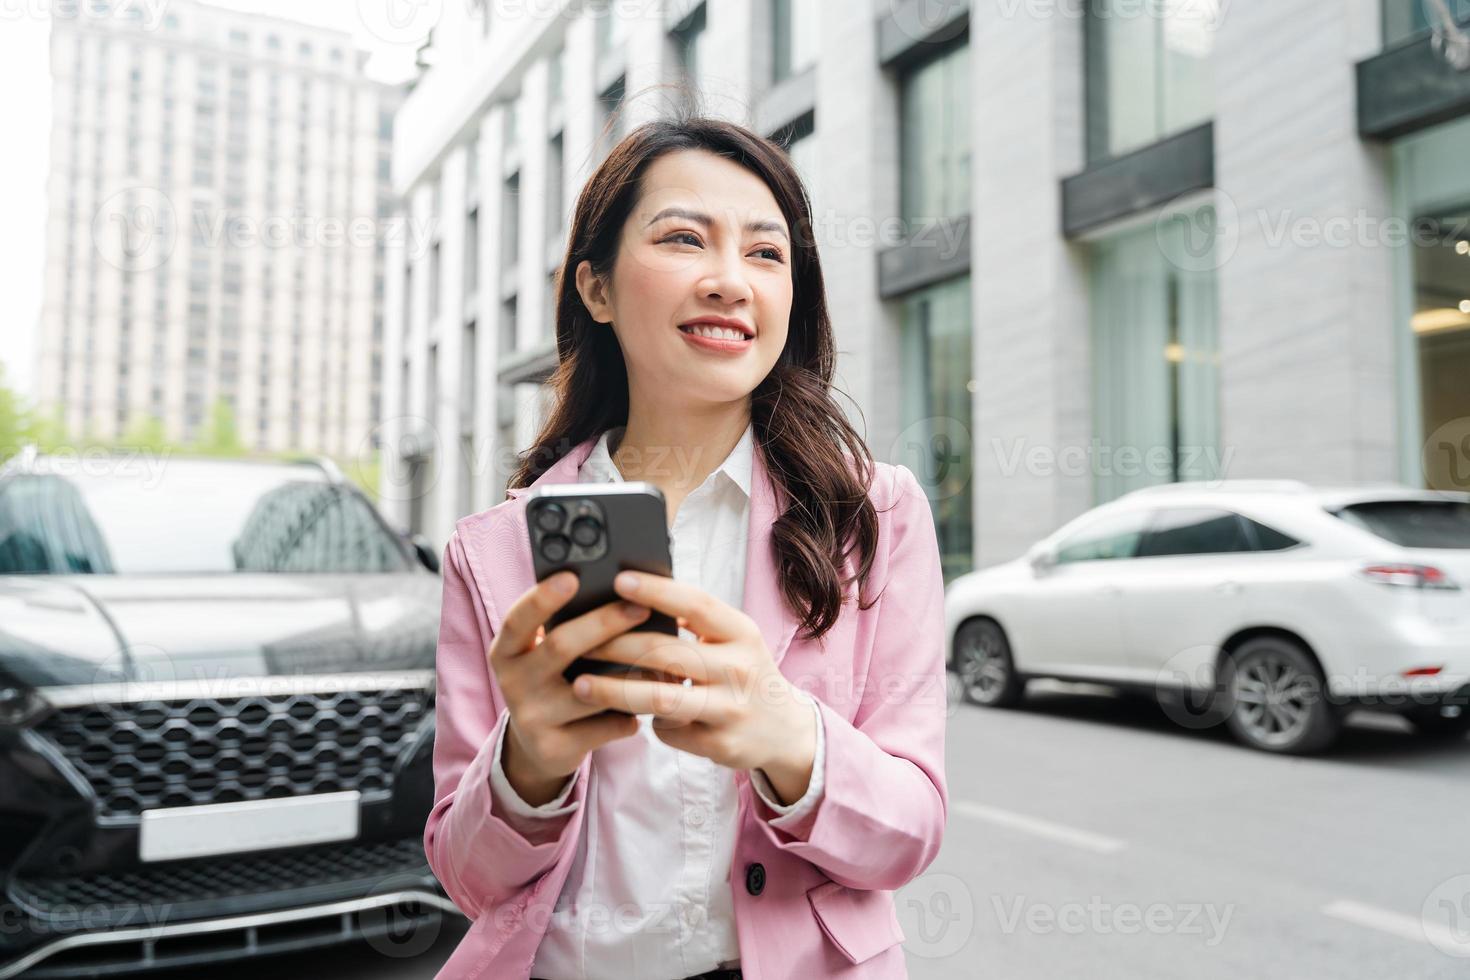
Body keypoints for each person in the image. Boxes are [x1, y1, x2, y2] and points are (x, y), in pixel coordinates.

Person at [426, 113, 948, 980]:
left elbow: (909, 835)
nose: (729, 282)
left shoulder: (872, 513)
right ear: (595, 289)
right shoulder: (495, 552)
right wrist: (530, 762)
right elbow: (469, 879)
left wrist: (789, 736)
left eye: (766, 253)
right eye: (683, 239)